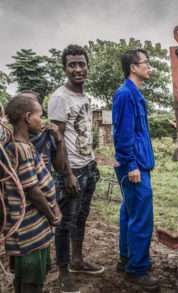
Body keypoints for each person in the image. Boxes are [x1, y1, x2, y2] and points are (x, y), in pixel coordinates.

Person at [48, 44, 104, 293]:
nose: (78, 69)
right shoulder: (60, 97)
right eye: (72, 64)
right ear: (65, 69)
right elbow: (57, 139)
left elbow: (82, 133)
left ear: (87, 67)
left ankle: (78, 260)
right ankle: (63, 272)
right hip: (72, 172)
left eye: (81, 64)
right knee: (65, 222)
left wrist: (93, 162)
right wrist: (67, 174)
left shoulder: (84, 97)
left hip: (88, 167)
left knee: (81, 217)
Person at [112, 49, 160, 292]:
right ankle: (137, 270)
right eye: (146, 63)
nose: (149, 67)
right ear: (133, 67)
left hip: (138, 163)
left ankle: (126, 259)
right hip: (134, 166)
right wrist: (131, 165)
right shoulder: (124, 95)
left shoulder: (134, 94)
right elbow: (122, 134)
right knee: (141, 217)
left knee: (129, 213)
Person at [4, 94, 61, 293]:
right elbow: (33, 191)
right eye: (40, 115)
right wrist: (52, 215)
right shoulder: (21, 149)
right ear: (28, 117)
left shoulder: (21, 147)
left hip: (31, 229)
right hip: (30, 232)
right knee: (31, 281)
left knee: (28, 280)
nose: (43, 121)